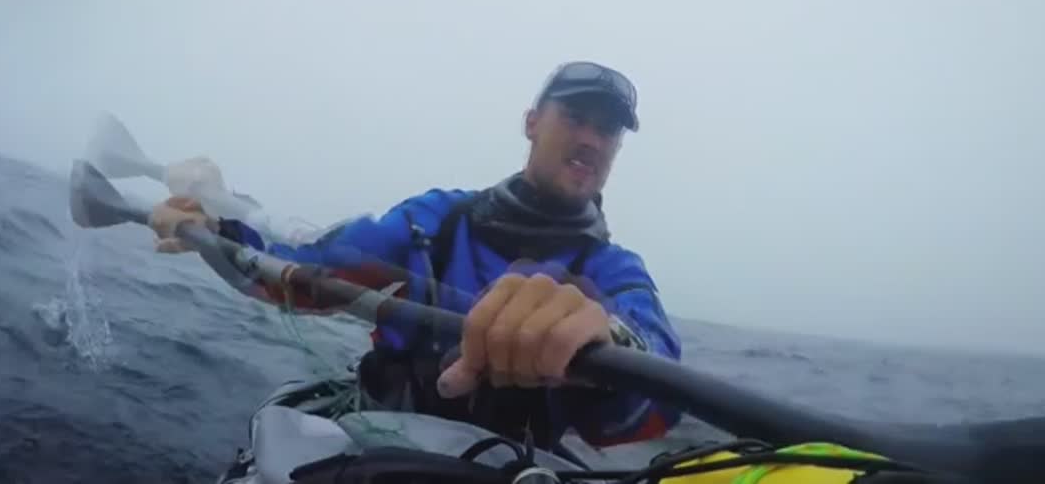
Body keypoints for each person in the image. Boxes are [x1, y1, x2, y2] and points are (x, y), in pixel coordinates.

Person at [149, 61, 682, 451]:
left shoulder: (614, 270)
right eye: (575, 117)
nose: (591, 139)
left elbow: (658, 395)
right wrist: (215, 228)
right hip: (375, 447)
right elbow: (306, 268)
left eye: (607, 129)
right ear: (532, 123)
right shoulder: (437, 219)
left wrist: (608, 344)